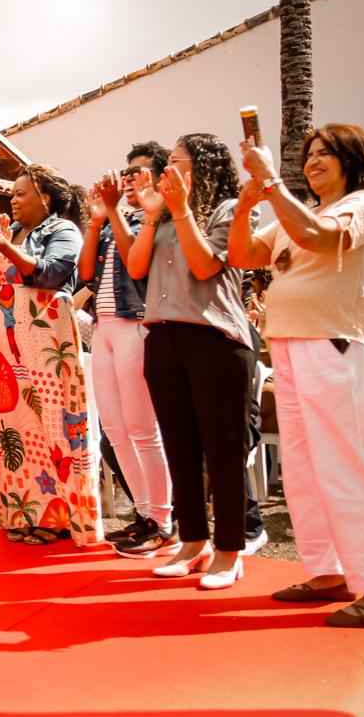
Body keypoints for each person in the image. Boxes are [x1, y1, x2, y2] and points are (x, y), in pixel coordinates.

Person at [228, 123, 364, 626]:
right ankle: (328, 571)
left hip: (333, 345)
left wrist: (271, 184)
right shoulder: (296, 212)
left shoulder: (361, 204)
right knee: (306, 468)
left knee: (346, 465)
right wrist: (247, 204)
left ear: (352, 160)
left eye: (326, 152)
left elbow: (319, 237)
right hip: (288, 347)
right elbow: (243, 254)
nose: (313, 161)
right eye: (309, 154)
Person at [126, 133, 254, 589]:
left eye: (177, 161)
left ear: (203, 166)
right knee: (180, 449)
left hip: (215, 339)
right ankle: (193, 542)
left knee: (223, 450)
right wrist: (151, 215)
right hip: (163, 337)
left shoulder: (228, 209)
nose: (167, 170)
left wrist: (179, 211)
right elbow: (136, 268)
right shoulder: (161, 214)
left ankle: (230, 550)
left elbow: (204, 266)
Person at [0, 164, 100, 547]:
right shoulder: (12, 231)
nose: (13, 200)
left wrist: (5, 246)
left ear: (45, 197)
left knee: (52, 424)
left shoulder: (63, 230)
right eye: (12, 193)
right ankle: (24, 511)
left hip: (45, 339)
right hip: (6, 343)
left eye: (21, 193)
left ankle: (59, 517)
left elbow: (51, 274)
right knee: (15, 425)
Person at [79, 142, 178, 558]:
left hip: (137, 325)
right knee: (116, 431)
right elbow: (86, 273)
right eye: (127, 173)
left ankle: (164, 521)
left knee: (142, 429)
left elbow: (137, 265)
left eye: (139, 173)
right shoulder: (113, 219)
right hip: (104, 328)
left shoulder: (160, 219)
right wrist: (95, 222)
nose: (129, 181)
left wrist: (113, 214)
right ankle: (145, 514)